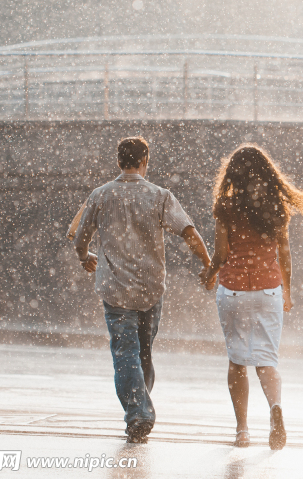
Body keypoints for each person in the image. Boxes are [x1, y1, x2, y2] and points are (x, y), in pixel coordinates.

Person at [74, 136, 212, 444]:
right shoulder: (160, 196)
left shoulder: (100, 195)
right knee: (143, 352)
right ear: (145, 161)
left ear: (118, 161)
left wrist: (85, 257)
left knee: (126, 354)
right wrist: (208, 263)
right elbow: (188, 231)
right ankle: (139, 411)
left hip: (115, 289)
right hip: (150, 288)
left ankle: (138, 411)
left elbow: (81, 237)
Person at [199, 144, 303, 450]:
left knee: (238, 360)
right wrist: (286, 292)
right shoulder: (277, 207)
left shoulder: (225, 207)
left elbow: (223, 253)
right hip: (268, 290)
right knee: (266, 358)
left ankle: (242, 430)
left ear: (232, 174)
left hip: (234, 290)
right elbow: (285, 255)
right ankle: (275, 408)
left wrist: (210, 273)